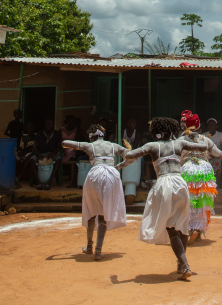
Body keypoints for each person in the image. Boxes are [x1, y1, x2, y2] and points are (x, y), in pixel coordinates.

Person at [118, 116, 207, 280]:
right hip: (180, 183)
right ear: (172, 131)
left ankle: (185, 265)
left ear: (156, 132)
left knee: (171, 227)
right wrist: (194, 136)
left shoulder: (152, 146)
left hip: (164, 184)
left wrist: (120, 160)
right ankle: (181, 266)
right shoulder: (179, 143)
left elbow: (130, 155)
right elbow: (203, 147)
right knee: (182, 224)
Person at [62, 124, 128, 260]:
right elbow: (130, 155)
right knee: (103, 214)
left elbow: (65, 143)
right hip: (111, 175)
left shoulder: (89, 146)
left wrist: (77, 144)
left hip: (95, 175)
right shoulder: (113, 145)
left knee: (91, 211)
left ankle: (89, 246)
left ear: (92, 136)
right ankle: (98, 250)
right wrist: (120, 166)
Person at [180, 113, 222, 243]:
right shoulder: (205, 139)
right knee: (202, 200)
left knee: (188, 200)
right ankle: (197, 230)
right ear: (199, 126)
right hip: (204, 169)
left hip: (188, 169)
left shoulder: (182, 139)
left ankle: (188, 229)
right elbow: (219, 154)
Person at [30, 118, 62, 190]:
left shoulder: (56, 134)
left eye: (50, 124)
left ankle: (49, 182)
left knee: (59, 159)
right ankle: (38, 182)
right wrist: (38, 154)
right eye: (47, 124)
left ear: (53, 125)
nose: (48, 126)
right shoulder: (40, 134)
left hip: (51, 154)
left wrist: (53, 153)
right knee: (32, 159)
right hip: (41, 153)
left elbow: (60, 146)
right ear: (44, 125)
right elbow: (34, 146)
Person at [203, 118, 222, 183]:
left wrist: (217, 154)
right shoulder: (204, 135)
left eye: (212, 125)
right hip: (206, 156)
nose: (210, 126)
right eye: (209, 125)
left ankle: (217, 182)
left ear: (216, 126)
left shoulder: (220, 135)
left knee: (217, 162)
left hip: (217, 155)